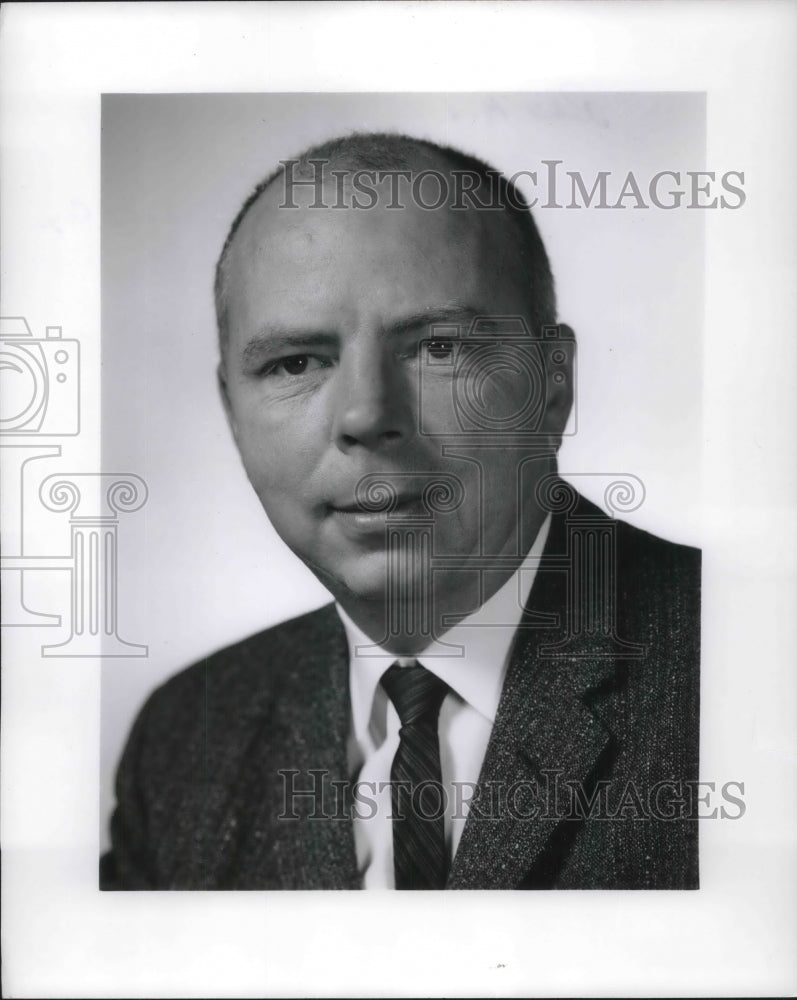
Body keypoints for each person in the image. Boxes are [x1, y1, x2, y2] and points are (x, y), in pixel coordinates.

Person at [101, 132, 700, 890]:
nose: (365, 415)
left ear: (553, 385)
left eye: (439, 347)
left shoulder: (748, 667)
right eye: (295, 363)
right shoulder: (186, 738)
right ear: (231, 411)